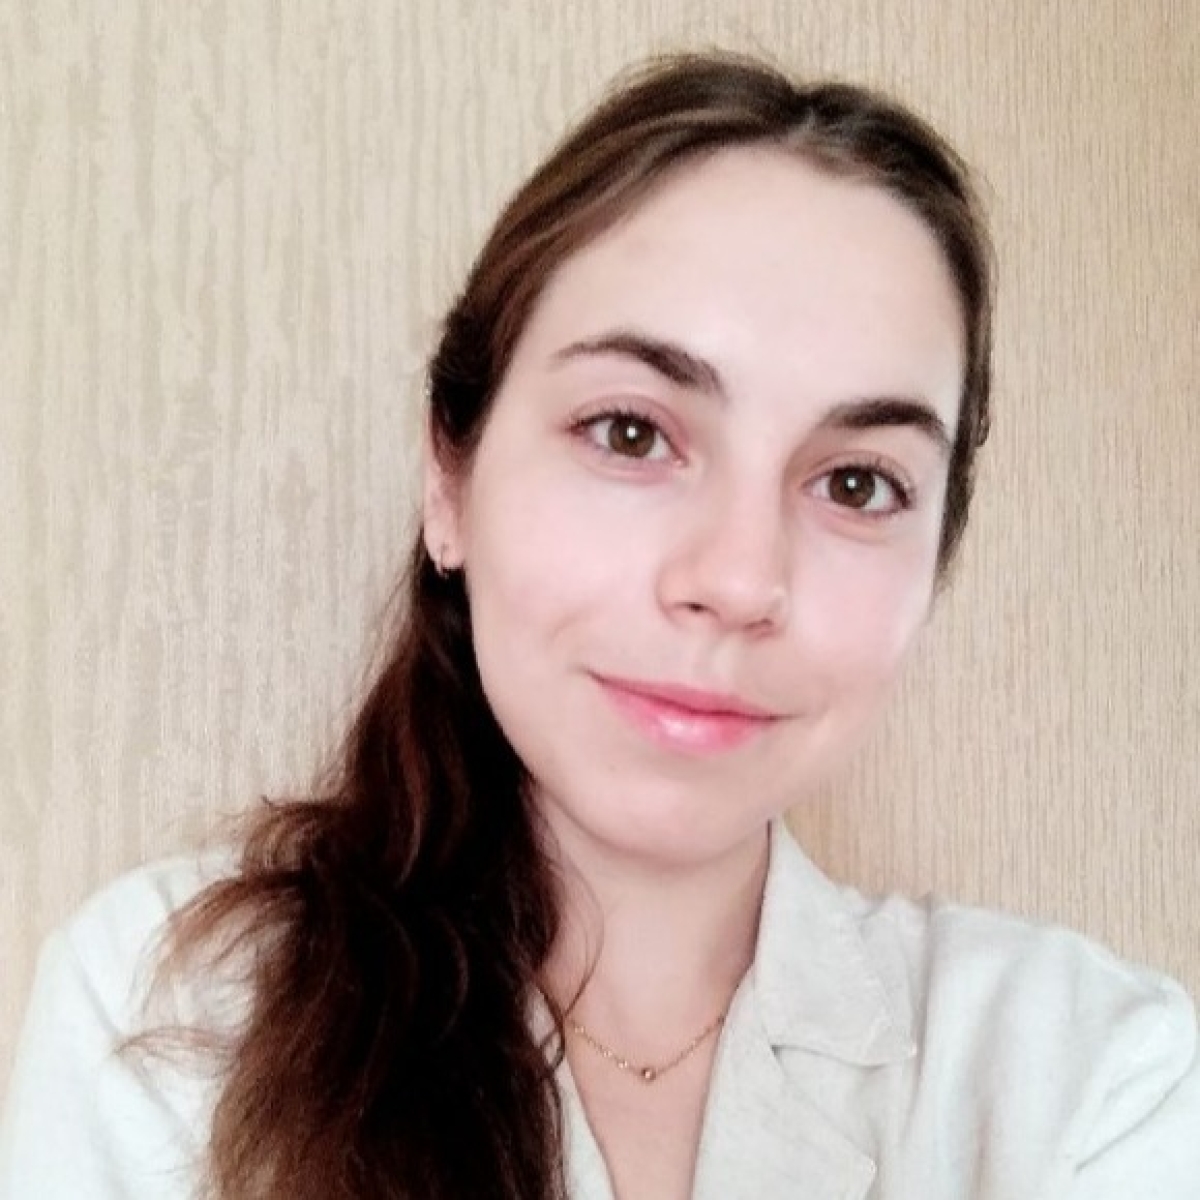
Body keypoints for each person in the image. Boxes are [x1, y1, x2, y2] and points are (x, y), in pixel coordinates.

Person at [1, 51, 1197, 1200]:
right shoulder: (172, 1017)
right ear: (450, 479)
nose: (739, 579)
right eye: (631, 432)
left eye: (857, 483)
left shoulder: (1093, 1079)